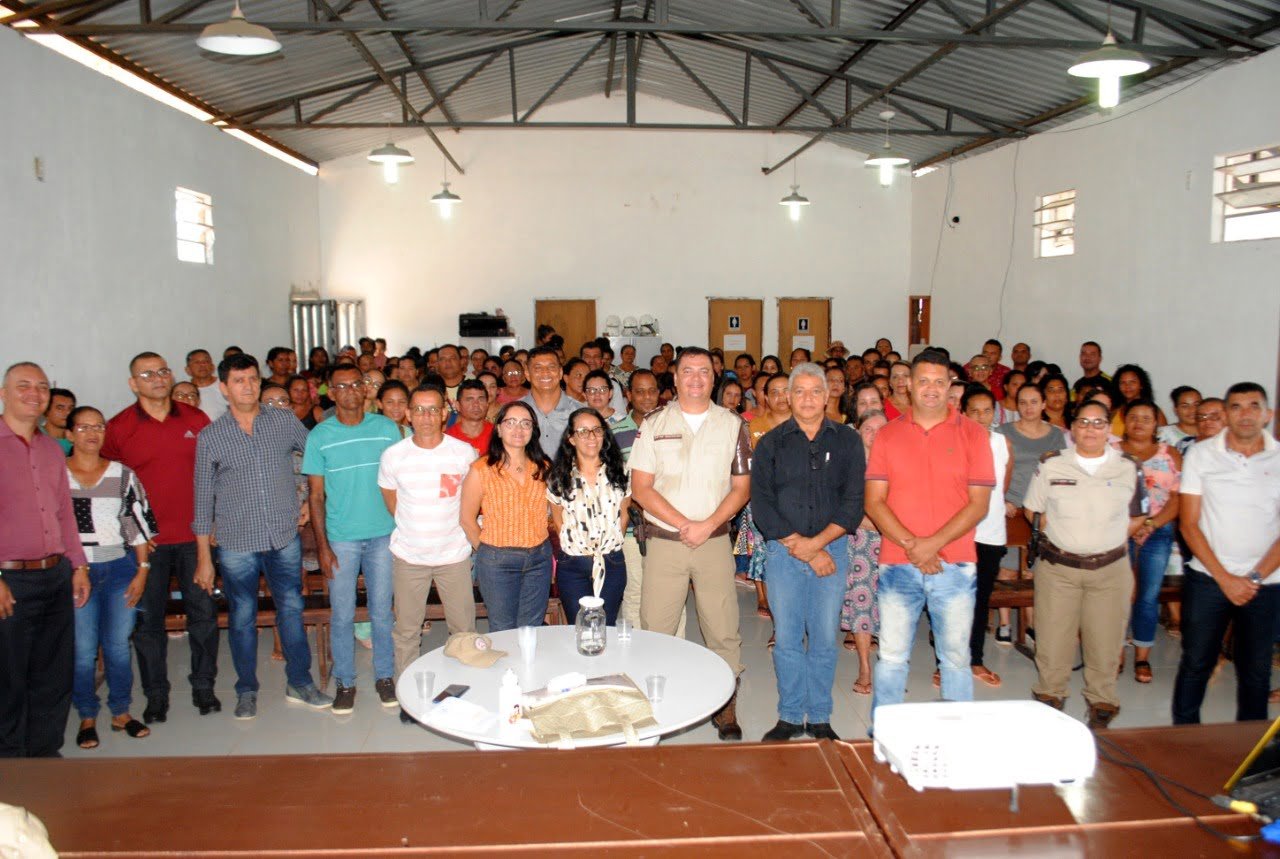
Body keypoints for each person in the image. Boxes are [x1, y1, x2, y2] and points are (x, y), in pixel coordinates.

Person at [193, 354, 332, 720]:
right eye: (239, 381)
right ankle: (246, 690)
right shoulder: (212, 436)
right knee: (242, 617)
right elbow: (202, 497)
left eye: (253, 379)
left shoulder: (283, 421)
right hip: (237, 541)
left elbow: (317, 455)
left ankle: (299, 682)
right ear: (224, 388)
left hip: (283, 534)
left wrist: (308, 497)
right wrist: (204, 559)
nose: (248, 386)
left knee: (291, 609)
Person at [629, 347, 752, 741]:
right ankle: (657, 699)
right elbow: (641, 489)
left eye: (704, 371)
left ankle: (725, 702)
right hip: (666, 541)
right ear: (676, 379)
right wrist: (685, 524)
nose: (696, 378)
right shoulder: (653, 424)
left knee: (722, 624)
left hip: (714, 540)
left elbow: (742, 487)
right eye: (688, 371)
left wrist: (708, 524)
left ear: (714, 378)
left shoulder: (732, 425)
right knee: (657, 625)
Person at [864, 349, 995, 715]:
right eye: (924, 380)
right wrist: (912, 546)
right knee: (891, 657)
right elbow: (874, 502)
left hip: (954, 565)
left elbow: (978, 505)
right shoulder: (888, 435)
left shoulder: (973, 435)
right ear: (909, 385)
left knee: (955, 658)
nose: (932, 389)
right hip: (897, 563)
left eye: (940, 381)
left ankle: (955, 738)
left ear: (951, 384)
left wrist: (932, 545)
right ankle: (885, 735)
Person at [102, 352, 217, 723]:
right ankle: (156, 695)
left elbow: (215, 473)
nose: (157, 378)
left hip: (194, 537)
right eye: (147, 374)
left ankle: (204, 687)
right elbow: (109, 484)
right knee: (148, 624)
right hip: (145, 544)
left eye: (163, 371)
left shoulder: (196, 418)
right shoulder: (119, 427)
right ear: (134, 383)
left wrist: (213, 526)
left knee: (202, 615)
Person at [753, 364, 864, 742]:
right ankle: (788, 716)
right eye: (797, 391)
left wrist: (817, 546)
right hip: (784, 552)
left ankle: (818, 717)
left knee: (823, 637)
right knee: (785, 637)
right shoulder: (771, 442)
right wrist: (801, 547)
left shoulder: (847, 440)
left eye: (815, 391)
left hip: (831, 550)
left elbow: (853, 503)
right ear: (787, 396)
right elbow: (762, 505)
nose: (806, 399)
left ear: (828, 395)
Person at [1023, 400, 1146, 730]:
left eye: (1098, 423)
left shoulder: (1128, 467)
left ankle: (1101, 708)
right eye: (1084, 422)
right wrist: (1067, 537)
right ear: (1073, 429)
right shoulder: (1052, 465)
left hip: (1110, 571)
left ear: (1109, 429)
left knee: (1105, 644)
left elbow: (1139, 515)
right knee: (1051, 642)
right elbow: (1033, 512)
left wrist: (1106, 539)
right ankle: (1050, 702)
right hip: (1059, 569)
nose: (1091, 429)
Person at [1173, 382, 1280, 725]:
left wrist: (1252, 579)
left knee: (1256, 671)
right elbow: (1189, 525)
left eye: (1253, 406)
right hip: (1208, 579)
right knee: (1196, 664)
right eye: (1236, 406)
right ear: (1226, 414)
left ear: (1268, 414)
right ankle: (1183, 742)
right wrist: (1225, 579)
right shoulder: (1202, 455)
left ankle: (1249, 754)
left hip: (1266, 582)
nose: (1245, 414)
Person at [0, 362, 91, 758]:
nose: (34, 393)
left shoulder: (53, 449)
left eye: (41, 387)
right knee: (8, 678)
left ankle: (44, 758)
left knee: (53, 675)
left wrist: (79, 564)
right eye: (23, 386)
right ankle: (9, 765)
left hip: (55, 575)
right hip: (9, 580)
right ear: (3, 392)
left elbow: (63, 513)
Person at [303, 366, 402, 715]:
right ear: (331, 392)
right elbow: (315, 497)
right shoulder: (320, 435)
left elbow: (400, 481)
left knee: (382, 613)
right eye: (340, 386)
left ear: (365, 390)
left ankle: (385, 677)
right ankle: (345, 682)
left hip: (383, 535)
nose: (348, 391)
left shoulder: (386, 429)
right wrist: (322, 546)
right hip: (341, 538)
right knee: (342, 615)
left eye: (355, 385)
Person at [378, 386, 478, 724]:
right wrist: (416, 530)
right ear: (407, 414)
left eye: (432, 409)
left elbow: (473, 500)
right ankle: (409, 697)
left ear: (444, 413)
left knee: (463, 629)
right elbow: (391, 500)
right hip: (409, 556)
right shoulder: (394, 455)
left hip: (453, 555)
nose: (425, 417)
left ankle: (463, 691)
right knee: (406, 631)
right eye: (418, 410)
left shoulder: (463, 453)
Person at [65, 406, 157, 749]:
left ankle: (121, 711)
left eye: (98, 427)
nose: (92, 433)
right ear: (70, 434)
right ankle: (87, 715)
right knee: (84, 648)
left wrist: (142, 571)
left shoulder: (122, 474)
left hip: (119, 568)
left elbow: (137, 527)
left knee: (118, 645)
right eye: (84, 427)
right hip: (77, 572)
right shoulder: (55, 475)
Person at [459, 401, 553, 631]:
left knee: (531, 627)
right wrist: (486, 551)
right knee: (503, 628)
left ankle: (528, 667)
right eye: (510, 423)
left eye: (525, 423)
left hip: (539, 558)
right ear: (499, 429)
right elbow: (466, 518)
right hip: (497, 561)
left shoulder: (543, 466)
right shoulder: (481, 469)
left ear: (533, 430)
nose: (518, 429)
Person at [993, 382, 1067, 643]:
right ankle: (1004, 624)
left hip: (1042, 512)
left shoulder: (1056, 436)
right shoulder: (1003, 432)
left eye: (1034, 402)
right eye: (1022, 402)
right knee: (1009, 569)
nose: (1028, 407)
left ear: (1044, 404)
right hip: (1011, 508)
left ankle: (1031, 624)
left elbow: (1061, 473)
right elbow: (995, 470)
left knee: (1033, 572)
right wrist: (1002, 500)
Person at [1115, 398, 1181, 684]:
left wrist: (1151, 524)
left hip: (1157, 532)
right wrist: (1131, 527)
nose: (1139, 423)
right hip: (1117, 532)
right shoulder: (1111, 452)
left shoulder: (1171, 455)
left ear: (1156, 423)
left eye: (1146, 418)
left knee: (1148, 596)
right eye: (1133, 417)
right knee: (1117, 595)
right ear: (1124, 420)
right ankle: (1115, 652)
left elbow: (1179, 498)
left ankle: (1142, 657)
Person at [547, 408, 630, 625]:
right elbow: (558, 520)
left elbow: (624, 515)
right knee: (581, 626)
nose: (591, 437)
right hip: (573, 562)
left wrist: (607, 544)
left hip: (610, 560)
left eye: (596, 430)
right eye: (583, 431)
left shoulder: (619, 470)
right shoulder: (559, 476)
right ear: (571, 438)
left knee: (606, 626)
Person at [959, 386, 1011, 689]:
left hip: (990, 533)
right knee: (952, 601)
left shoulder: (1003, 443)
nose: (981, 417)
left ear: (995, 413)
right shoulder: (953, 442)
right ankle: (947, 664)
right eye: (974, 411)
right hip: (958, 533)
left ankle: (975, 659)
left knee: (980, 601)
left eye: (987, 411)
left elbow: (1000, 490)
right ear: (963, 413)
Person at [842, 410, 886, 693]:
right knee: (862, 603)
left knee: (894, 604)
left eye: (881, 428)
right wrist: (884, 528)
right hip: (861, 542)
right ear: (858, 432)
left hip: (897, 542)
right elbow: (848, 510)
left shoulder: (899, 464)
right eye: (868, 428)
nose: (874, 433)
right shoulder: (850, 466)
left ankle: (893, 666)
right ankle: (865, 667)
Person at [521, 346, 578, 458]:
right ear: (527, 374)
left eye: (551, 367)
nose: (545, 372)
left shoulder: (580, 412)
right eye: (538, 368)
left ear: (560, 372)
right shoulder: (514, 412)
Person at [1110, 364, 1166, 435]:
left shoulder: (1154, 411)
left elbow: (1163, 439)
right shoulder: (1114, 410)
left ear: (1141, 385)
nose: (1127, 386)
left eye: (1132, 382)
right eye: (1122, 382)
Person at [445, 379, 494, 455]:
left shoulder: (498, 435)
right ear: (458, 405)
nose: (476, 404)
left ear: (487, 404)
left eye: (481, 399)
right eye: (469, 399)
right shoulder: (448, 438)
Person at [185, 349, 226, 421]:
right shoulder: (184, 391)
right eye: (197, 362)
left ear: (213, 367)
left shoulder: (225, 385)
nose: (202, 365)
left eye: (206, 361)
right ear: (188, 370)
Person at [43, 388, 75, 454]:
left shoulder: (78, 440)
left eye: (71, 408)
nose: (68, 412)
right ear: (46, 411)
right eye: (60, 408)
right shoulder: (33, 436)